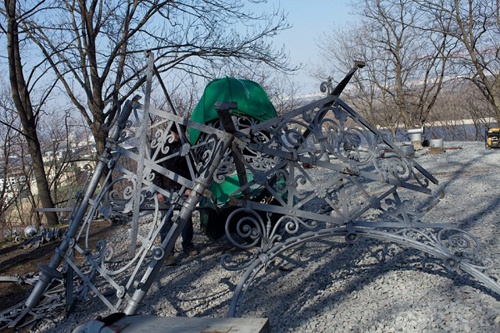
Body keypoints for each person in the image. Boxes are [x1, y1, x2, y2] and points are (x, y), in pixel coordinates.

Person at [152, 125, 199, 265]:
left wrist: (190, 186)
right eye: (176, 132)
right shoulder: (159, 147)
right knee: (166, 221)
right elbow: (155, 170)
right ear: (170, 132)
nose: (178, 135)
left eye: (181, 132)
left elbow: (192, 168)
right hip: (165, 189)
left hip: (183, 188)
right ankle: (168, 253)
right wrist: (159, 190)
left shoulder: (185, 146)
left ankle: (188, 246)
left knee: (185, 218)